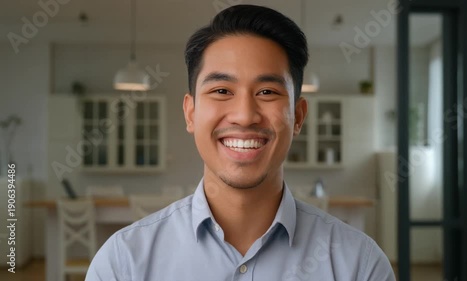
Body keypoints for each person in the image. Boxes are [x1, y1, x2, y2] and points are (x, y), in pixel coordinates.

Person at [86, 4, 395, 281]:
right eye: (221, 91)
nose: (245, 116)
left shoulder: (359, 265)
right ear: (190, 113)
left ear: (298, 115)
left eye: (267, 92)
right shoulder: (122, 263)